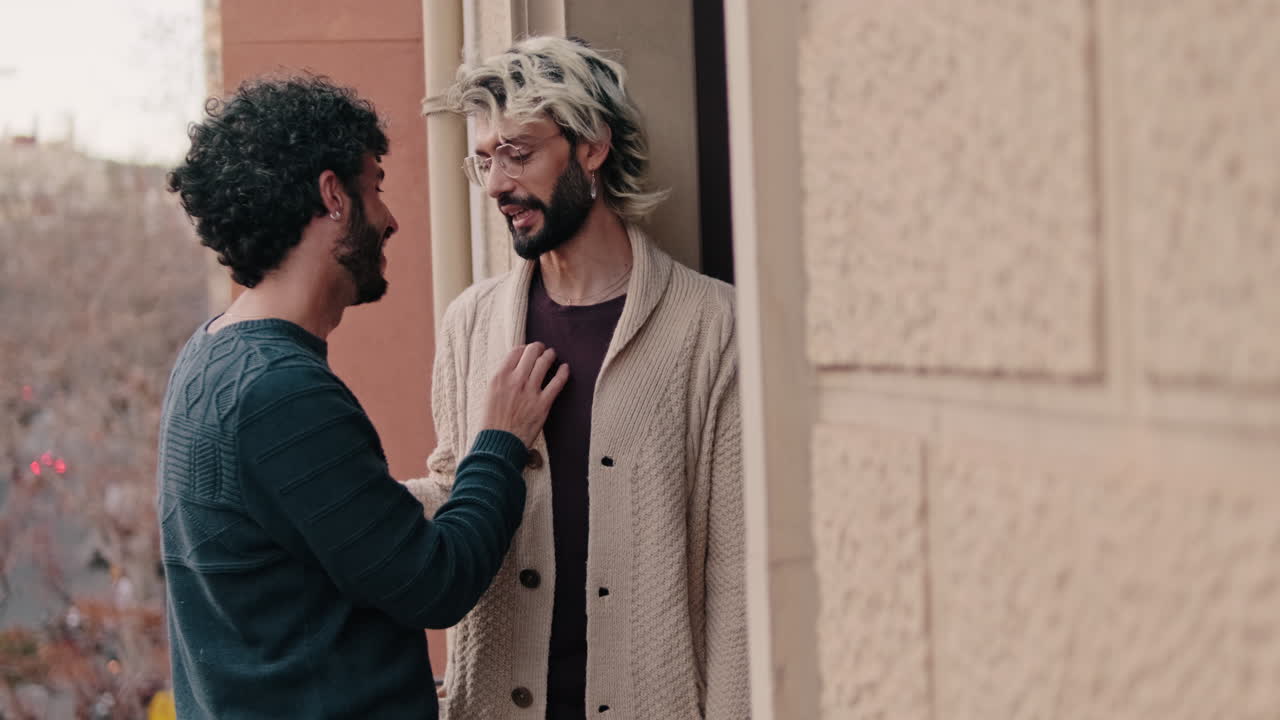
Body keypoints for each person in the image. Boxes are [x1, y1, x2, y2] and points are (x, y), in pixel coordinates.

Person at [157, 74, 568, 719]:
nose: (390, 217)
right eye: (375, 186)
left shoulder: (211, 356)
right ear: (333, 196)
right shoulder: (279, 393)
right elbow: (434, 582)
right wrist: (500, 442)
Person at [410, 36, 748, 719]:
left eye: (520, 153)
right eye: (483, 162)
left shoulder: (712, 324)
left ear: (591, 146)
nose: (499, 184)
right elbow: (454, 495)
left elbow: (735, 569)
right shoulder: (470, 323)